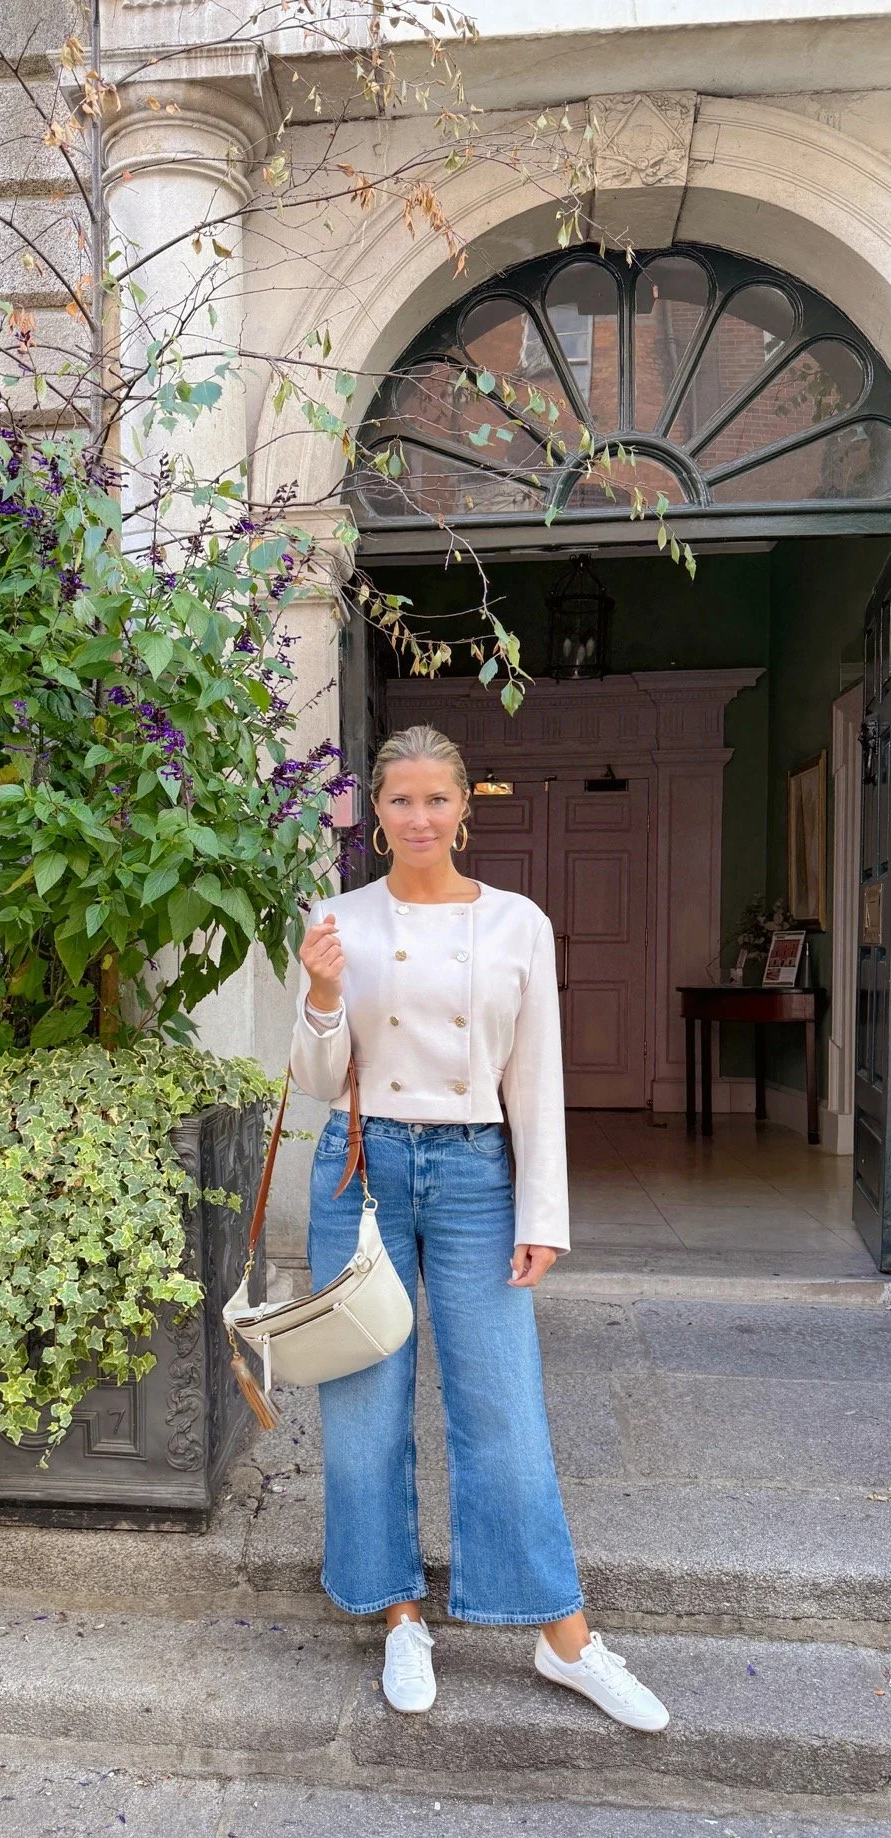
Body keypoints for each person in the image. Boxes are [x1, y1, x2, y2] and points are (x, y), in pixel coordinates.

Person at [290, 724, 668, 1730]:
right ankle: (400, 1612)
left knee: (502, 1403)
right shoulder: (338, 917)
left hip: (473, 1169)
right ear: (374, 814)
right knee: (363, 1408)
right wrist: (324, 995)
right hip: (361, 1172)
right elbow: (318, 1083)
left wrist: (543, 1208)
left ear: (465, 808)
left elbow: (535, 1074)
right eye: (401, 800)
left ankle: (562, 1634)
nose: (420, 817)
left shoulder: (518, 924)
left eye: (437, 799)